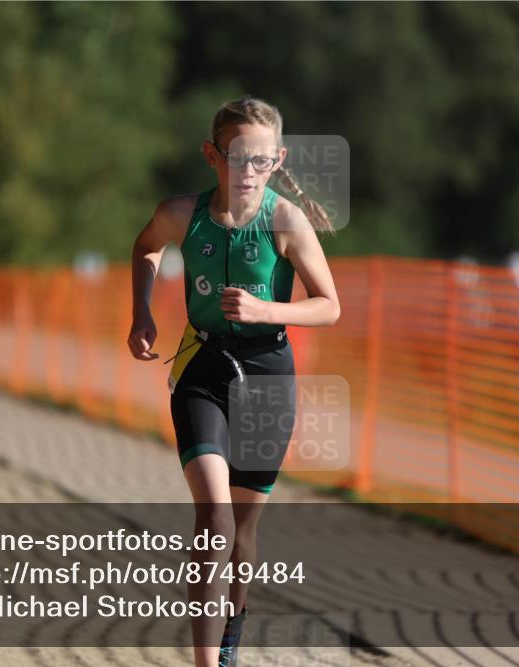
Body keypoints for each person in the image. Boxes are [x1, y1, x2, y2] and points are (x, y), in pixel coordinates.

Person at [128, 97, 341, 667]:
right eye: (237, 157)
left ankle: (230, 641)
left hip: (269, 375)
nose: (248, 172)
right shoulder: (181, 213)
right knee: (215, 517)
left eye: (261, 161)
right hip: (202, 369)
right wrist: (142, 313)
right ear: (212, 156)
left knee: (243, 533)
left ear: (278, 161)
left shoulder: (285, 221)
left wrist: (265, 310)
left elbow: (329, 306)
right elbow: (146, 246)